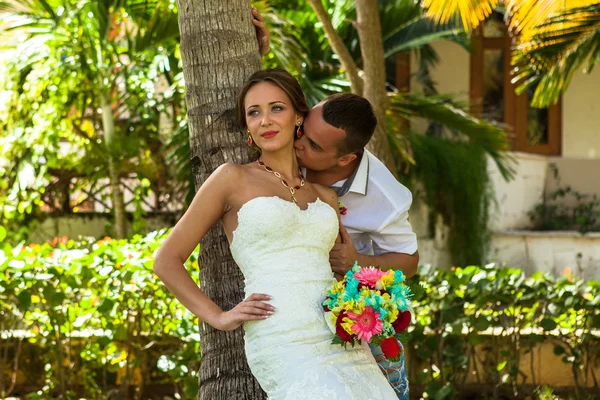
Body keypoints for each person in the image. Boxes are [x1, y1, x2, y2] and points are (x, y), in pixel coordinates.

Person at [154, 69, 398, 399]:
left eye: (276, 108)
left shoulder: (325, 195)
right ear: (247, 125)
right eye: (254, 112)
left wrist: (368, 303)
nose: (265, 120)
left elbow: (343, 267)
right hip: (282, 335)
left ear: (299, 116)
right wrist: (220, 317)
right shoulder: (231, 179)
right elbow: (166, 260)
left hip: (340, 335)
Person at [252, 9, 419, 399]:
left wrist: (359, 262)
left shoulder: (387, 197)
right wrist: (257, 55)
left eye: (310, 146)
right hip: (287, 313)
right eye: (302, 131)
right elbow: (268, 108)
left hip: (349, 313)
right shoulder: (306, 130)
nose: (295, 143)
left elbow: (409, 260)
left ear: (344, 159)